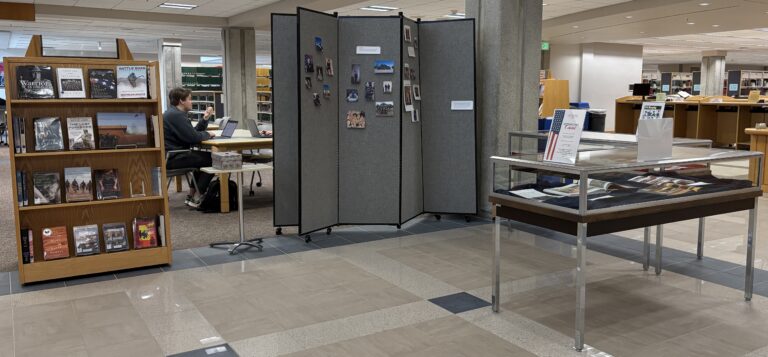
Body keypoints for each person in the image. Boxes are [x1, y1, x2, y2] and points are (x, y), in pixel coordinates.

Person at [163, 87, 216, 208]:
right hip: (174, 157)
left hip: (173, 155)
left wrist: (205, 118)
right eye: (190, 99)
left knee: (201, 159)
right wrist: (209, 134)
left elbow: (191, 133)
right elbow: (193, 138)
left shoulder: (173, 113)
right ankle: (198, 195)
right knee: (213, 159)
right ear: (182, 101)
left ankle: (191, 195)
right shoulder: (176, 116)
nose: (191, 102)